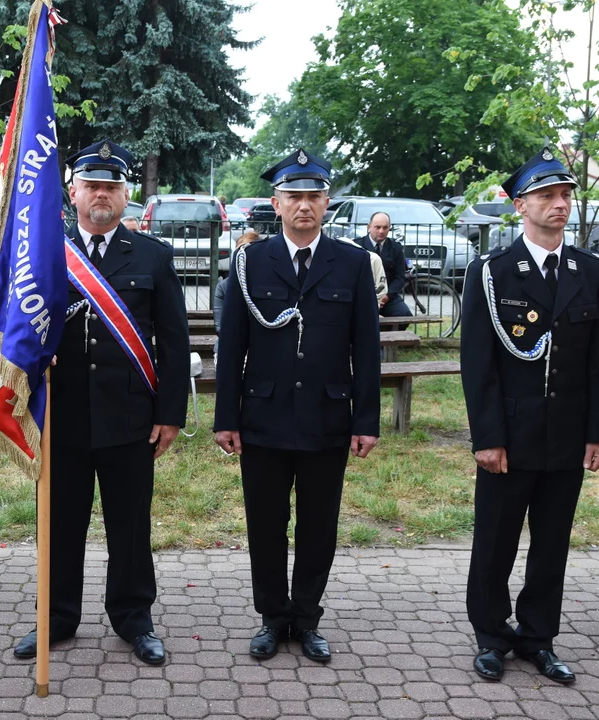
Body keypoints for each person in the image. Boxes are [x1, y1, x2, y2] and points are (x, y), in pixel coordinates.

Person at [12, 140, 189, 666]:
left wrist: (169, 415)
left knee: (130, 526)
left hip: (129, 417)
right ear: (72, 193)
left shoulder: (153, 257)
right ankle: (58, 618)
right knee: (60, 524)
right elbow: (20, 330)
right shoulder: (42, 254)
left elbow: (174, 342)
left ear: (126, 195)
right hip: (61, 416)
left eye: (111, 186)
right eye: (92, 185)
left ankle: (135, 619)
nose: (101, 195)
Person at [213, 149, 381, 663]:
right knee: (264, 524)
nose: (304, 206)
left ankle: (305, 617)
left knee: (318, 525)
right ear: (276, 203)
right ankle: (271, 617)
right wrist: (226, 416)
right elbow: (232, 344)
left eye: (313, 196)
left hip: (327, 418)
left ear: (327, 202)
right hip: (262, 417)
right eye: (294, 197)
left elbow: (366, 348)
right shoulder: (250, 262)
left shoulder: (352, 263)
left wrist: (366, 419)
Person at [461, 147, 599, 684]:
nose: (560, 204)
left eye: (566, 195)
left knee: (552, 544)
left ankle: (538, 637)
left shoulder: (591, 271)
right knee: (495, 542)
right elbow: (478, 364)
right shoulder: (493, 272)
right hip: (509, 434)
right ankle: (490, 637)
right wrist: (486, 436)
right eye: (547, 195)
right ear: (520, 204)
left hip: (567, 436)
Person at [356, 212, 412, 326]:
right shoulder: (357, 246)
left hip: (387, 297)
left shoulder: (395, 248)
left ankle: (386, 339)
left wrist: (386, 296)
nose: (381, 231)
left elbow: (400, 277)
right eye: (377, 227)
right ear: (369, 227)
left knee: (404, 315)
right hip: (362, 298)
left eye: (385, 228)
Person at [213, 231, 260, 358]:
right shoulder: (224, 286)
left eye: (249, 251)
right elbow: (221, 327)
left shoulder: (269, 284)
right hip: (230, 348)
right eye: (240, 251)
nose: (243, 256)